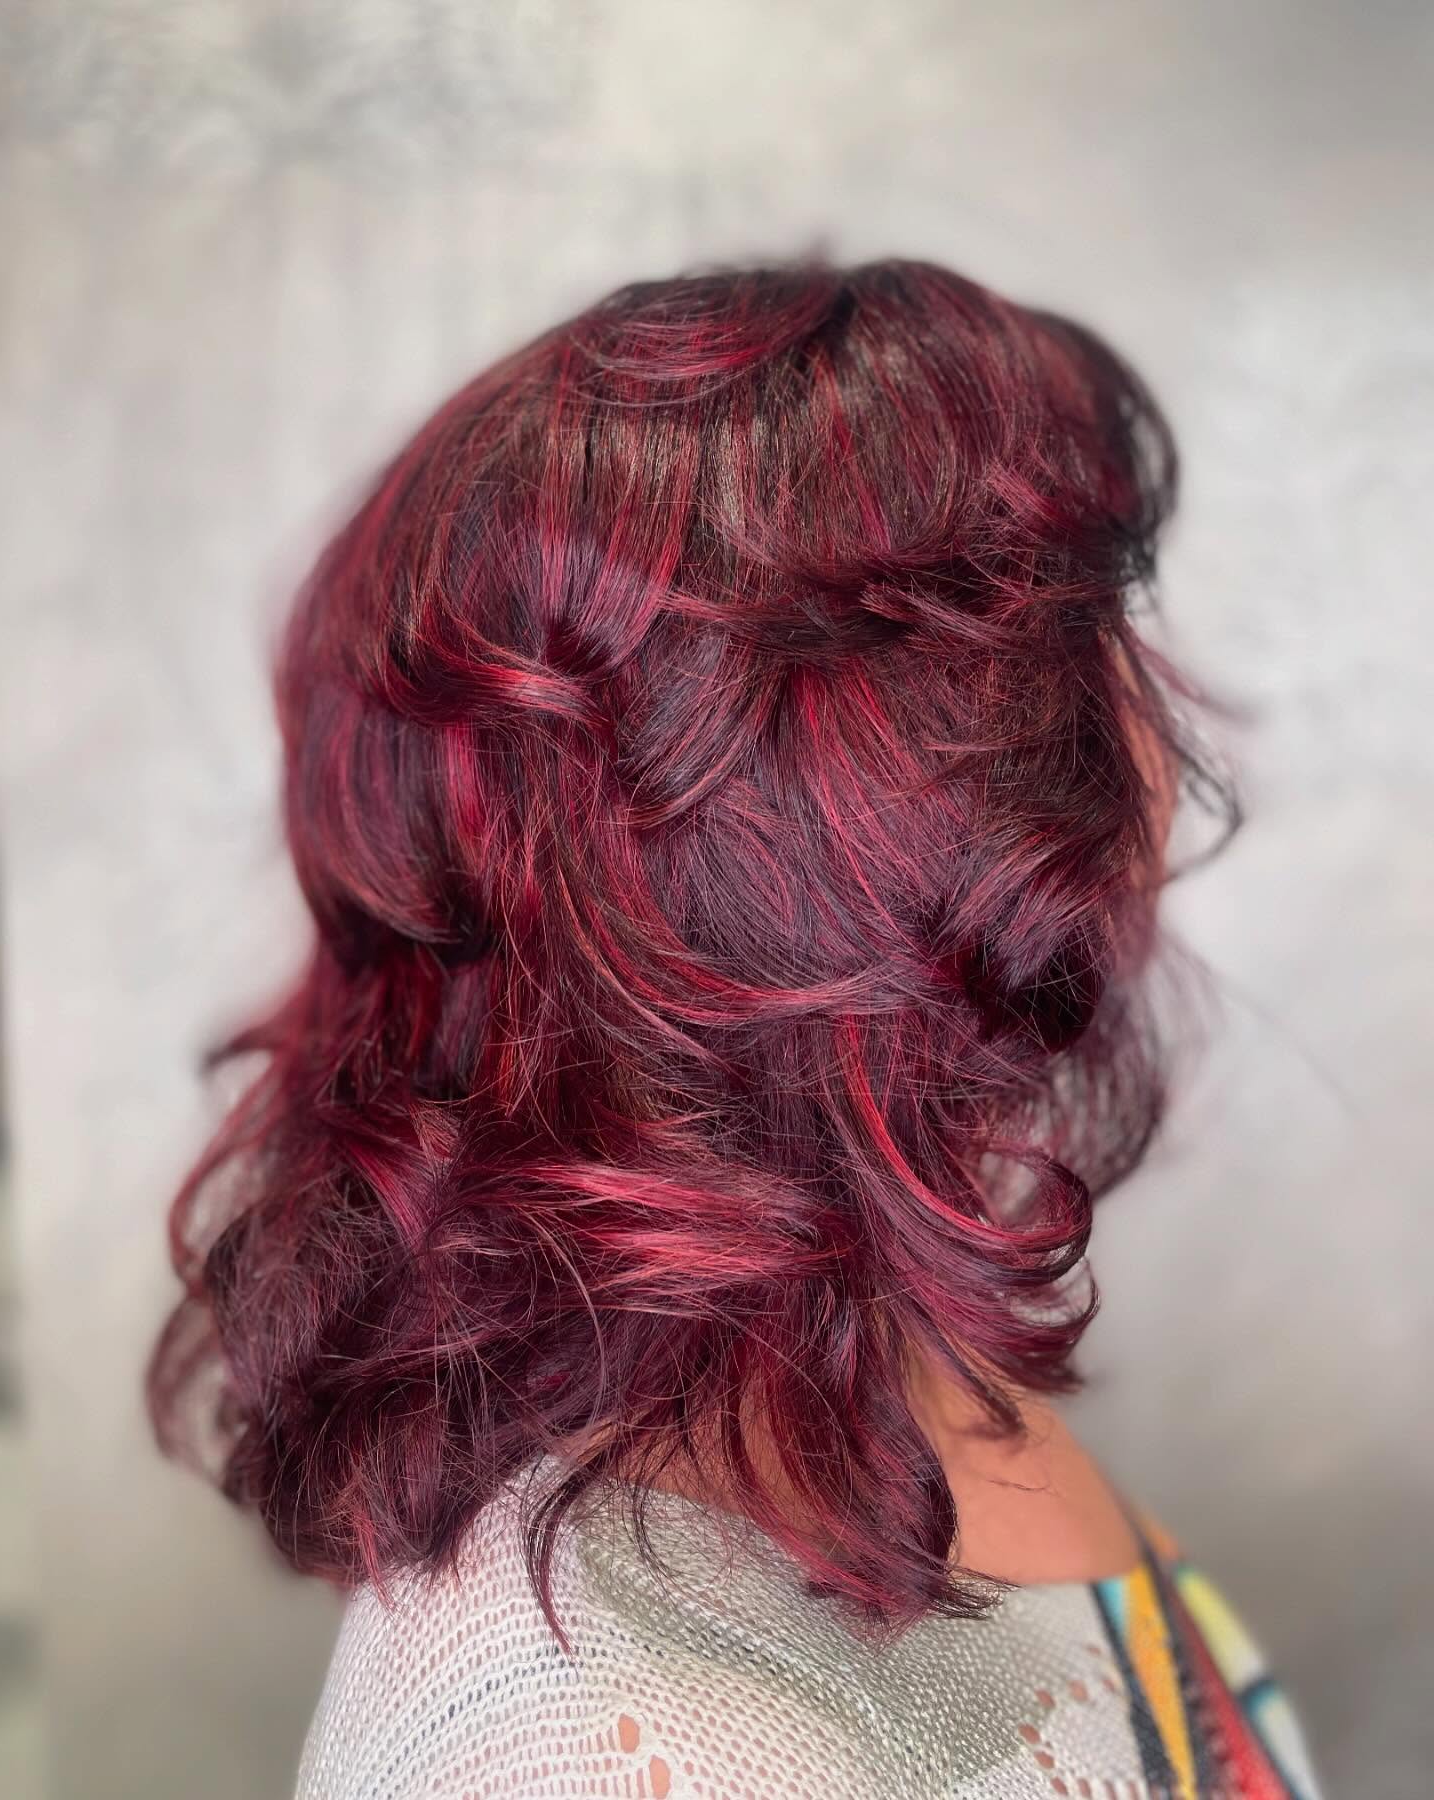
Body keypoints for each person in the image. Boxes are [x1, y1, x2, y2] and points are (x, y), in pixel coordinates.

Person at [151, 259, 1323, 1798]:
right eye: (1076, 625)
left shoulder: (880, 1356)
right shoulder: (603, 1756)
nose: (1140, 705)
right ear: (859, 820)